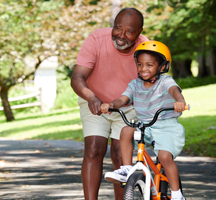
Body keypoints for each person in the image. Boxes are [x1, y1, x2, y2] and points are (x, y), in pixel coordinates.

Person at [70, 8, 148, 200]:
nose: (121, 36)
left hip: (128, 106)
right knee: (95, 147)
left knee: (121, 155)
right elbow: (78, 78)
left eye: (129, 31)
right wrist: (91, 97)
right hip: (95, 101)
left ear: (139, 32)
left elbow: (150, 84)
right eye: (118, 28)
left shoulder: (145, 47)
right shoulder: (97, 39)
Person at [102, 41, 188, 200]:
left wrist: (180, 101)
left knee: (164, 157)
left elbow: (174, 91)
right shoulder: (134, 84)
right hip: (146, 126)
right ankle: (127, 169)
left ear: (162, 67)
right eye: (140, 64)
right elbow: (123, 99)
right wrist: (112, 105)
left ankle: (177, 195)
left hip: (167, 127)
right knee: (126, 130)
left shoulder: (165, 81)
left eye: (149, 65)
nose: (143, 69)